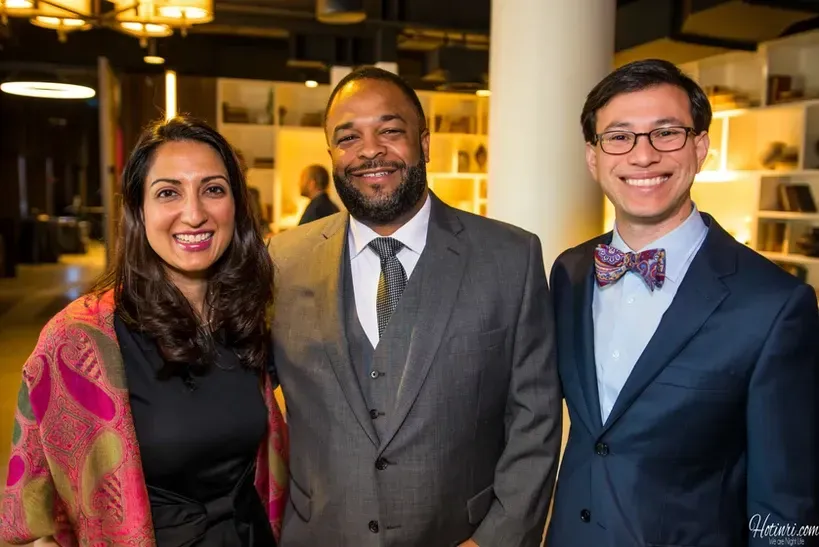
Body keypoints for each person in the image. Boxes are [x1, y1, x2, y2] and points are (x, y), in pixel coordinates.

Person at [268, 66, 562, 547]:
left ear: (424, 143)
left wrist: (494, 542)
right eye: (348, 138)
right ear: (331, 154)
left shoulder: (511, 258)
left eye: (390, 130)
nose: (369, 151)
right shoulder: (281, 260)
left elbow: (536, 420)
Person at [546, 58, 819, 547]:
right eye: (619, 136)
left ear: (700, 148)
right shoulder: (569, 272)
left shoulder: (776, 304)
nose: (643, 155)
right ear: (594, 157)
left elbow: (789, 502)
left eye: (666, 133)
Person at [0, 115, 288, 546]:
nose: (194, 214)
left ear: (236, 204)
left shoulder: (246, 319)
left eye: (213, 189)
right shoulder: (79, 342)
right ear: (138, 209)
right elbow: (32, 515)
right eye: (168, 193)